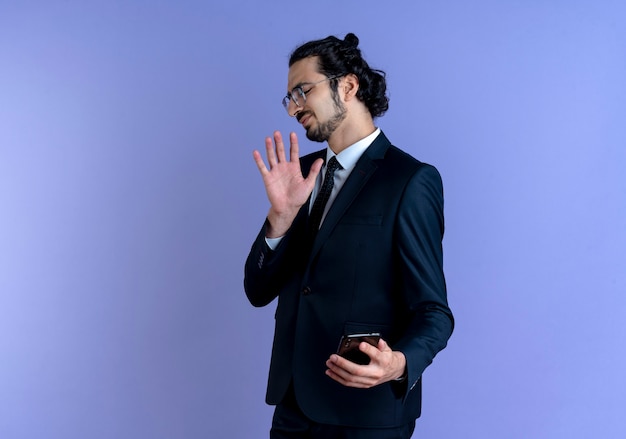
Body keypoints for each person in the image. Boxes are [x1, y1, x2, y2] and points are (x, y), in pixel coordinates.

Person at [244, 33, 454, 438]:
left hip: (365, 413)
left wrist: (400, 364)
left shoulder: (409, 180)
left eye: (302, 91)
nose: (294, 108)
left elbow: (435, 312)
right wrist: (280, 217)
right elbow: (257, 290)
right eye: (289, 98)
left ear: (349, 85)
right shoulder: (298, 174)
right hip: (292, 407)